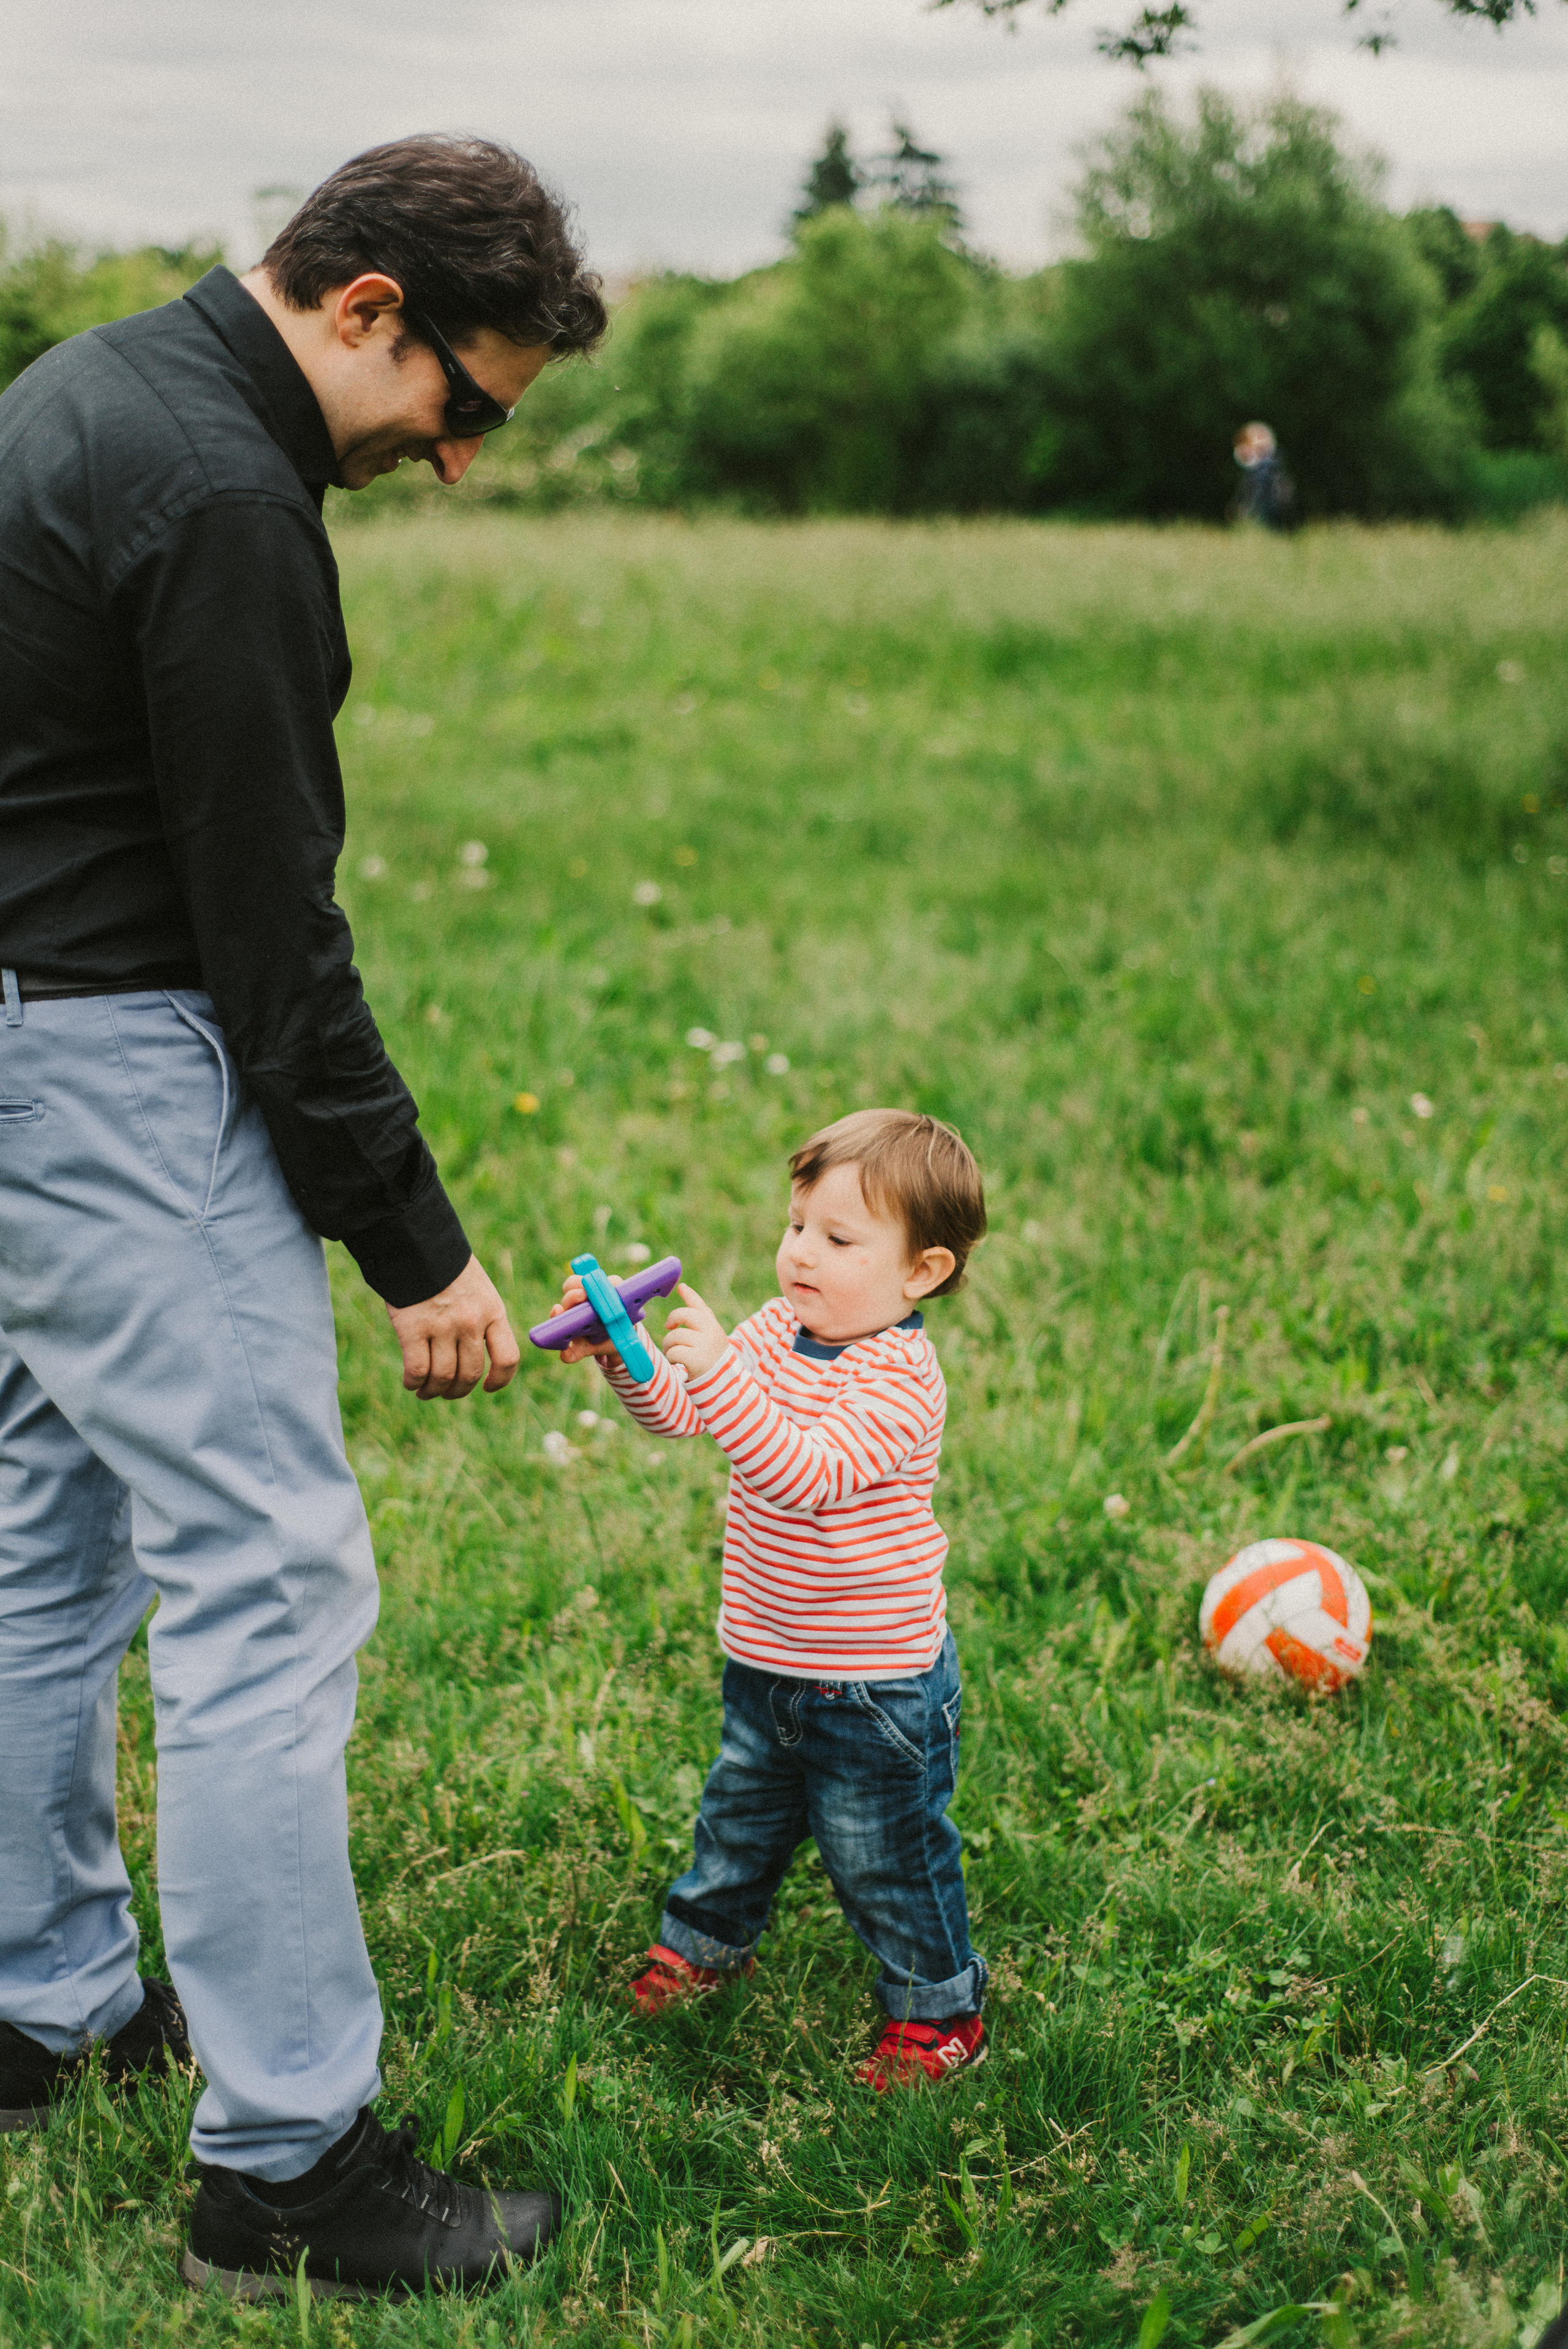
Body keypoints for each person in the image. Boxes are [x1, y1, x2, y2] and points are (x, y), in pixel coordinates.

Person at [0, 135, 606, 2296]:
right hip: (108, 1063)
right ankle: (286, 2166)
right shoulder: (230, 498)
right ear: (364, 308)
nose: (458, 460)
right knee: (266, 1573)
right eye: (467, 405)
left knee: (43, 1529)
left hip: (14, 1040)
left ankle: (39, 2003)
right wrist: (415, 1239)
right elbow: (274, 932)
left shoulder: (82, 387)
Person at [551, 1110, 992, 2088]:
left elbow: (803, 1471)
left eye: (839, 1240)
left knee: (885, 1854)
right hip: (767, 1654)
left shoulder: (901, 1381)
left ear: (920, 1273)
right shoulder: (777, 1329)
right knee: (738, 1818)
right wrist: (630, 1355)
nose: (801, 1252)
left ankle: (940, 2012)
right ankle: (706, 1944)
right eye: (798, 1225)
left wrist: (720, 1370)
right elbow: (681, 1416)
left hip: (876, 1686)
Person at [1231, 420, 1295, 530]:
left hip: (1268, 507)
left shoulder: (1266, 467)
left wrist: (1245, 507)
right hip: (1273, 506)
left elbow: (1256, 490)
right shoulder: (1272, 464)